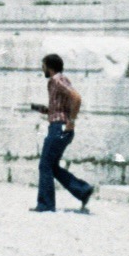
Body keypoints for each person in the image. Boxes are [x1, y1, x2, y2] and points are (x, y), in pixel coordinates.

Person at [29, 53, 95, 213]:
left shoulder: (57, 80)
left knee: (45, 164)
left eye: (43, 65)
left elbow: (76, 98)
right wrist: (44, 110)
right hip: (58, 126)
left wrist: (71, 121)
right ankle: (82, 190)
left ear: (49, 67)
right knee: (52, 166)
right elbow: (60, 108)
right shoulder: (55, 82)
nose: (42, 69)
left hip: (59, 128)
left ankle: (46, 204)